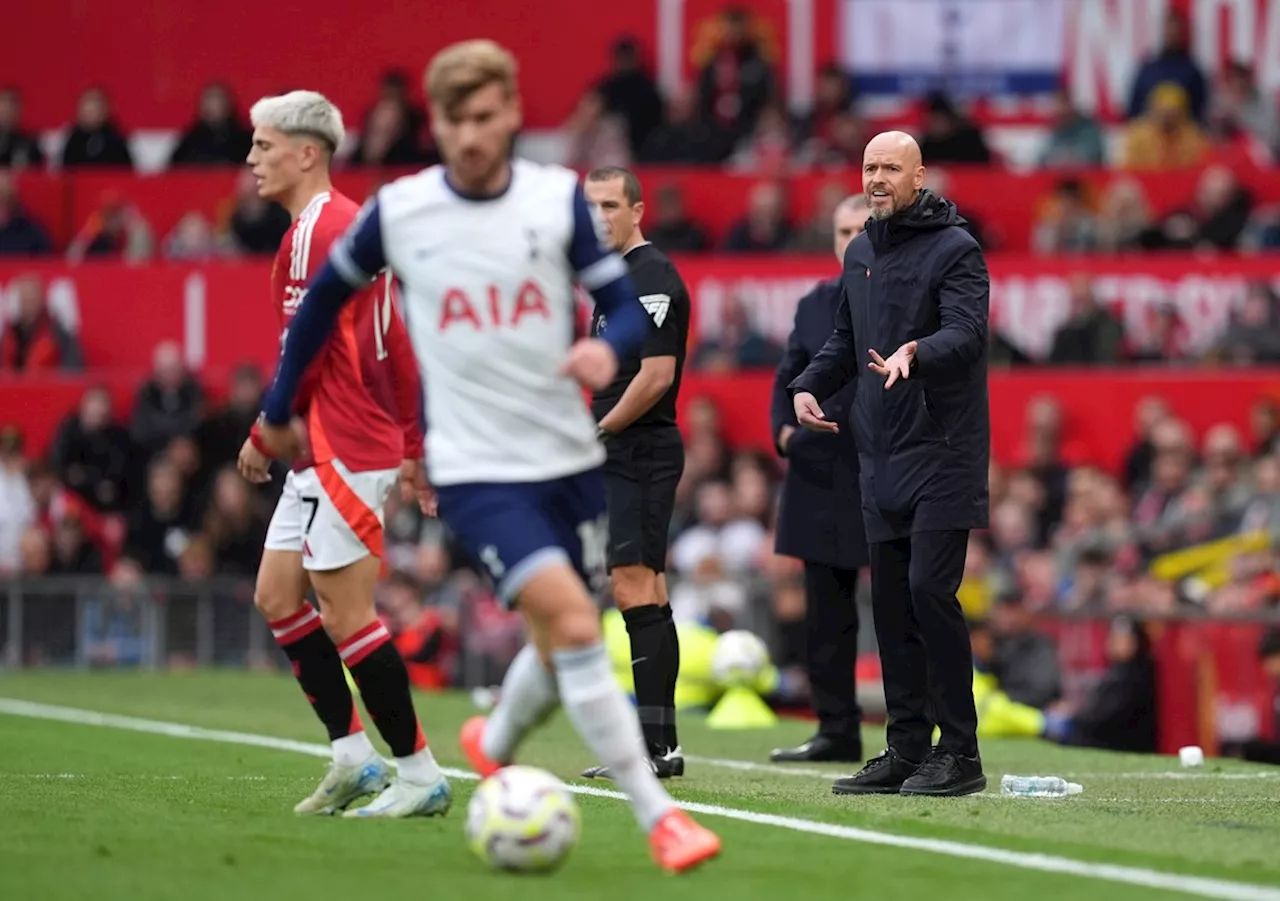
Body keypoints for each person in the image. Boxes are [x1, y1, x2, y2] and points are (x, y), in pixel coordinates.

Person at [256, 40, 721, 872]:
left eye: (485, 117)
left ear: (511, 115)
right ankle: (662, 817)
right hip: (475, 466)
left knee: (555, 634)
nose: (470, 136)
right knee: (579, 623)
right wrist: (278, 411)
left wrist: (602, 352)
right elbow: (321, 304)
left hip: (568, 458)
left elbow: (619, 309)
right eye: (454, 120)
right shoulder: (401, 211)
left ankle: (494, 733)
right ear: (436, 124)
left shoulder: (555, 201)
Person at [236, 90, 449, 819]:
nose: (251, 159)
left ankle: (419, 773)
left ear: (306, 152)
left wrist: (269, 424)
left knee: (347, 613)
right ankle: (354, 760)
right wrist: (415, 445)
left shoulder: (319, 232)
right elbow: (391, 340)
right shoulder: (341, 226)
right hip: (329, 444)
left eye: (263, 146)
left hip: (345, 443)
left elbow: (310, 347)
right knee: (277, 594)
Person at [789, 130, 989, 798]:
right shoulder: (863, 251)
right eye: (869, 166)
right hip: (881, 453)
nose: (877, 178)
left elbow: (967, 334)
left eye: (890, 168)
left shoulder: (957, 248)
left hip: (943, 448)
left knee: (931, 591)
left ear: (919, 174)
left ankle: (960, 751)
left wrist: (915, 352)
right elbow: (847, 340)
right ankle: (906, 747)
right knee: (893, 605)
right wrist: (810, 382)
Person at [578, 166, 690, 780]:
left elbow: (655, 377)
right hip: (627, 449)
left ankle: (654, 749)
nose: (600, 218)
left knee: (633, 586)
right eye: (591, 206)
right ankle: (659, 746)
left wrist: (599, 430)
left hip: (639, 449)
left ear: (638, 210)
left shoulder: (652, 277)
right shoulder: (615, 282)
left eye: (611, 205)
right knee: (647, 588)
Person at [768, 195, 870, 764]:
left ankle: (925, 732)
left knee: (908, 605)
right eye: (842, 230)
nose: (850, 239)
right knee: (825, 614)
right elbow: (787, 373)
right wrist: (783, 434)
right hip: (818, 471)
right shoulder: (813, 304)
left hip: (883, 469)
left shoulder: (903, 300)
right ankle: (837, 728)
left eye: (862, 228)